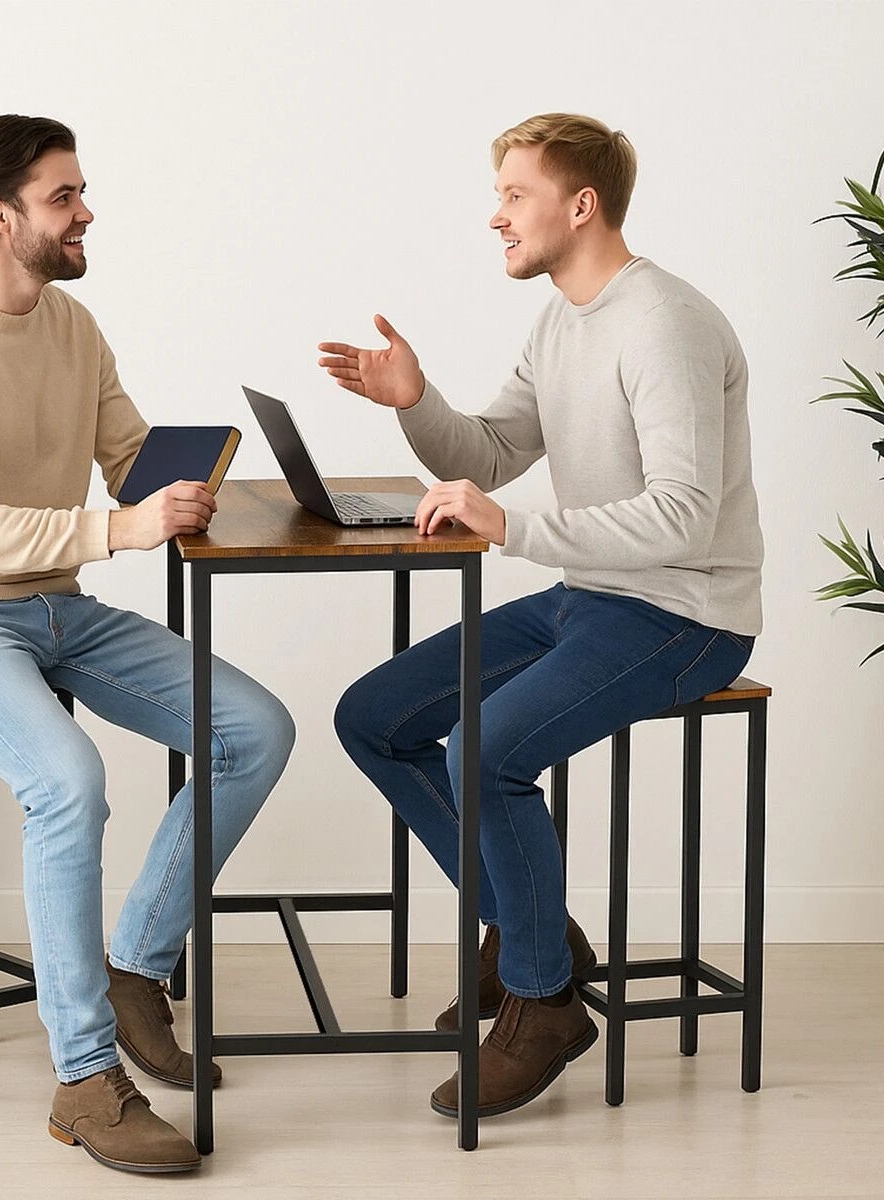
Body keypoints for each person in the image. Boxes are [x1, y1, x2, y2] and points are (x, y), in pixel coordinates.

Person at [0, 114, 295, 1174]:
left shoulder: (73, 325)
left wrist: (196, 481)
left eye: (81, 191)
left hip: (55, 602)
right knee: (67, 778)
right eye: (64, 196)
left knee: (254, 728)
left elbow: (127, 458)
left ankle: (138, 963)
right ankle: (85, 1079)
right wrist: (121, 528)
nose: (87, 211)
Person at [319, 112, 763, 1120]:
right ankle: (534, 932)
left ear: (580, 204)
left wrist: (510, 528)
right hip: (593, 595)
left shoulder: (666, 323)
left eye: (514, 196)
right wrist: (412, 398)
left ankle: (542, 999)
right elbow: (488, 455)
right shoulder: (563, 317)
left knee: (484, 748)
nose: (496, 217)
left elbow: (685, 514)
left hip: (686, 609)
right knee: (375, 716)